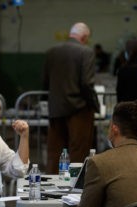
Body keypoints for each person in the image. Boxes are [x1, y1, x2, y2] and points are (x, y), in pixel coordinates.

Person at [43, 22, 99, 174]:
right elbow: (87, 83)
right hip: (79, 109)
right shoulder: (86, 52)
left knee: (54, 151)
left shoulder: (52, 51)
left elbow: (45, 82)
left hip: (55, 108)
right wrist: (94, 105)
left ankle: (52, 186)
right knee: (78, 151)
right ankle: (75, 187)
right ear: (85, 37)